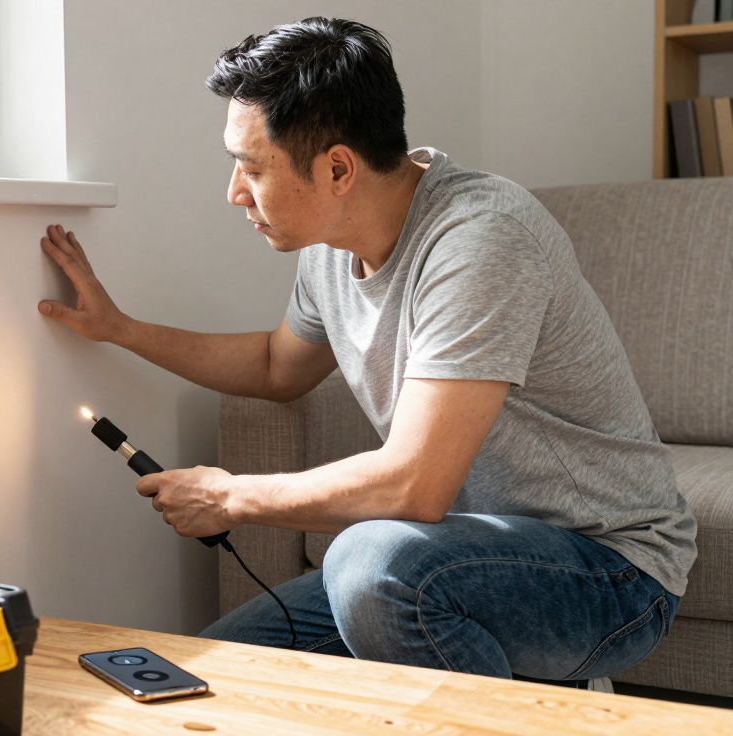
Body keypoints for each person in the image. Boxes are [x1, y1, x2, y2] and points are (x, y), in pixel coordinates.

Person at [36, 17, 696, 686]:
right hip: (450, 558)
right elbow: (274, 366)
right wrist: (120, 328)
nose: (234, 192)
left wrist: (232, 497)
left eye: (251, 167)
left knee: (368, 561)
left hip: (609, 568)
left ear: (338, 168)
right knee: (198, 673)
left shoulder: (482, 240)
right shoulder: (331, 250)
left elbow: (414, 484)